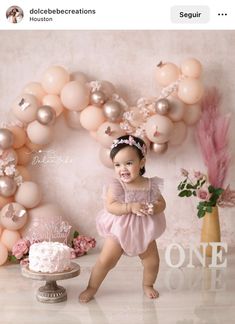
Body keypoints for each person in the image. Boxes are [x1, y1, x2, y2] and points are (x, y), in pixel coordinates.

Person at [79, 135, 166, 303]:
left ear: (141, 163)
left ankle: (148, 284)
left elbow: (162, 203)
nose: (122, 169)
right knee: (106, 261)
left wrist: (154, 207)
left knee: (152, 261)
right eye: (117, 165)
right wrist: (129, 207)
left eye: (128, 163)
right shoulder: (117, 185)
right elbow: (110, 206)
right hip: (119, 230)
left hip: (144, 230)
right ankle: (91, 287)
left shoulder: (150, 185)